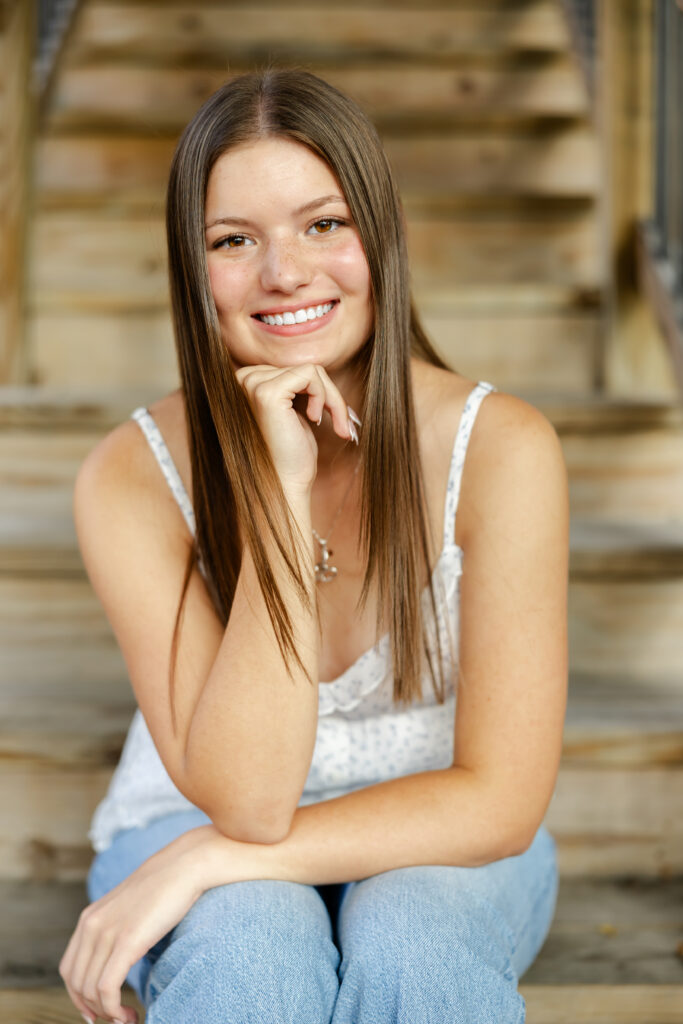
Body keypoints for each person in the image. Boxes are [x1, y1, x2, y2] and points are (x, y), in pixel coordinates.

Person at [58, 69, 568, 1024]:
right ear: (192, 266)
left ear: (381, 233)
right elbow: (245, 803)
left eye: (322, 224)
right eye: (233, 240)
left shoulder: (500, 450)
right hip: (195, 816)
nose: (283, 273)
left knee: (414, 939)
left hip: (438, 836)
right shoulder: (131, 475)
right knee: (253, 951)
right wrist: (280, 494)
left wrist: (208, 859)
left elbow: (498, 801)